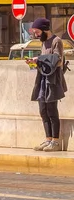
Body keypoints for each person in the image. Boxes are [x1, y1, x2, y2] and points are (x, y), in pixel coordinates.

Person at [26, 18, 67, 152]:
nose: (36, 34)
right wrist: (34, 62)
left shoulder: (57, 41)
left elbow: (58, 61)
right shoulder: (44, 42)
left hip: (53, 81)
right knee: (43, 110)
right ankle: (48, 139)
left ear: (44, 29)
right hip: (42, 79)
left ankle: (55, 141)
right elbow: (45, 62)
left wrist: (40, 59)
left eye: (37, 31)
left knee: (51, 110)